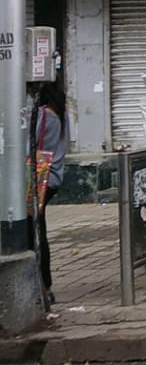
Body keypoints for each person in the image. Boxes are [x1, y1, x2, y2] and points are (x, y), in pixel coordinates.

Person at [31, 82, 67, 306]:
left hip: (40, 180)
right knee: (39, 229)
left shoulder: (45, 116)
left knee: (35, 231)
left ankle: (44, 287)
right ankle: (45, 286)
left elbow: (37, 147)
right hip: (54, 178)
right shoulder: (63, 117)